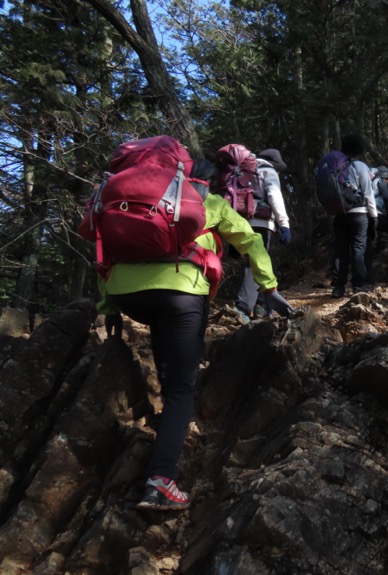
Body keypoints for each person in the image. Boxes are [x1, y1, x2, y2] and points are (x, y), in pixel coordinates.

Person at [98, 159, 292, 511]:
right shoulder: (207, 201)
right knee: (181, 386)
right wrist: (269, 286)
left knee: (166, 351)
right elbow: (249, 239)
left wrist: (108, 306)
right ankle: (160, 482)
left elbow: (103, 248)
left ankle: (167, 424)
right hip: (181, 292)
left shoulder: (130, 201)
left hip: (127, 294)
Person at [235, 148, 292, 323]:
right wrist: (284, 224)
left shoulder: (241, 172)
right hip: (261, 222)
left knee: (253, 262)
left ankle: (260, 307)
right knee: (256, 263)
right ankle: (242, 307)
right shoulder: (269, 171)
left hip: (240, 222)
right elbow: (275, 196)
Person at [330, 134, 378, 298]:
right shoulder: (359, 166)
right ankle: (359, 285)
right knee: (358, 248)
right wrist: (374, 214)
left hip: (339, 214)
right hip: (358, 214)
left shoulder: (336, 167)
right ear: (359, 150)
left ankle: (338, 287)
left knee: (340, 250)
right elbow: (368, 192)